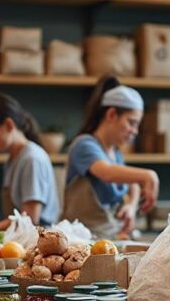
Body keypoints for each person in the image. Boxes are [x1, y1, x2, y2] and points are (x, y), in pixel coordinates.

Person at [64, 76, 159, 240]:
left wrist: (131, 206)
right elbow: (107, 172)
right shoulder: (84, 145)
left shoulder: (115, 153)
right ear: (112, 114)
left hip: (111, 237)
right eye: (131, 123)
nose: (135, 131)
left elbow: (132, 184)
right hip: (82, 241)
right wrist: (149, 175)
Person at [0, 93, 60, 233]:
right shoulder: (12, 159)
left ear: (9, 125)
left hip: (39, 239)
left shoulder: (32, 159)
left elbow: (30, 219)